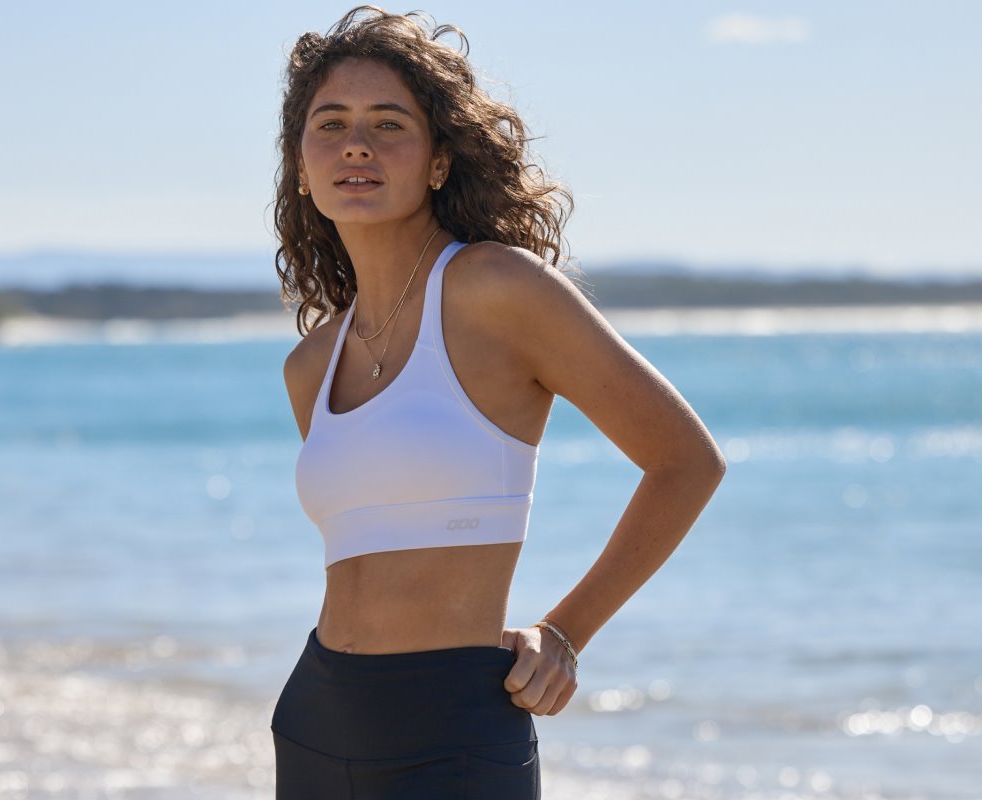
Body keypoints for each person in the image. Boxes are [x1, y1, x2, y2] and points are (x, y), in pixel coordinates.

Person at [268, 7, 727, 798]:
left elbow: (685, 461)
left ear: (439, 161)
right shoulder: (312, 364)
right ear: (302, 165)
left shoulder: (497, 289)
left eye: (389, 124)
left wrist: (566, 633)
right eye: (331, 123)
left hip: (456, 728)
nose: (357, 144)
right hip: (316, 719)